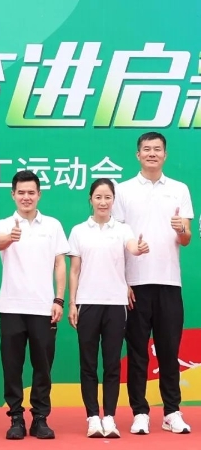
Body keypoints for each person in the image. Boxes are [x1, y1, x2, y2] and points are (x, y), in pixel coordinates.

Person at [112, 131, 193, 435]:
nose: (152, 154)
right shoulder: (122, 190)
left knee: (169, 350)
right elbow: (116, 239)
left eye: (157, 149)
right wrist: (123, 282)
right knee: (137, 352)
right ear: (138, 155)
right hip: (135, 284)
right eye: (146, 149)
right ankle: (140, 412)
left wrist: (181, 229)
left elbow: (186, 239)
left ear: (165, 155)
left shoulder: (179, 189)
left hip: (169, 282)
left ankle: (172, 411)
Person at [67, 178, 149, 439]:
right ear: (90, 200)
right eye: (98, 197)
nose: (103, 202)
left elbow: (132, 247)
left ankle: (110, 417)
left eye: (108, 197)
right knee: (88, 364)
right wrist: (72, 303)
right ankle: (93, 417)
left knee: (112, 364)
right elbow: (74, 270)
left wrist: (139, 248)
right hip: (87, 303)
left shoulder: (123, 229)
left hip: (115, 304)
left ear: (114, 200)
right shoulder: (79, 231)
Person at [0, 170, 69, 440]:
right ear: (12, 194)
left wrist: (59, 299)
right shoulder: (3, 224)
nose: (26, 197)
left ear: (39, 195)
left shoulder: (53, 225)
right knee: (12, 366)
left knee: (43, 366)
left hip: (44, 308)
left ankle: (40, 418)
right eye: (21, 192)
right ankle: (15, 417)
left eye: (31, 192)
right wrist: (11, 237)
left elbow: (60, 264)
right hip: (11, 307)